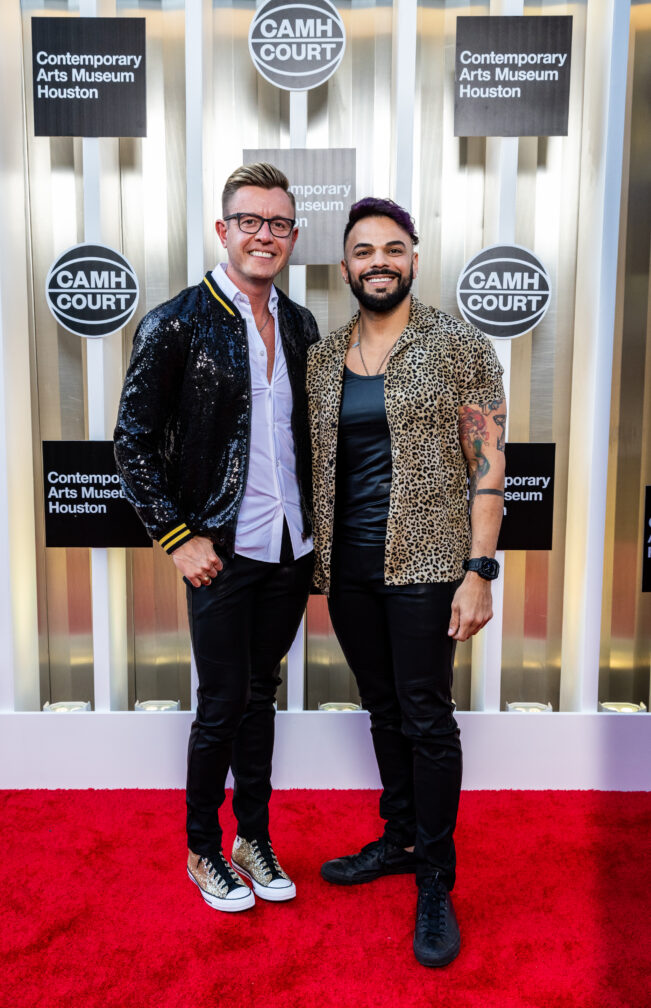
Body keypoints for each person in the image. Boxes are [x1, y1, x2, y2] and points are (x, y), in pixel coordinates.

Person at [306, 198, 506, 966]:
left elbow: (486, 467)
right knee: (382, 709)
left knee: (425, 717)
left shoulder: (456, 345)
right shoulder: (323, 359)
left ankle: (434, 876)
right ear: (346, 266)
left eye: (393, 248)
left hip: (427, 567)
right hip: (348, 572)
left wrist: (478, 571)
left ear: (414, 259)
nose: (378, 261)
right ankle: (396, 839)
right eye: (363, 250)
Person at [115, 163, 318, 913]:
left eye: (279, 223)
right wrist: (177, 537)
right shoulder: (176, 321)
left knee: (259, 697)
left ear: (294, 236)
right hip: (219, 552)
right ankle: (204, 848)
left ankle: (251, 839)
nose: (264, 235)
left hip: (289, 550)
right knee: (222, 702)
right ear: (223, 229)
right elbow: (131, 443)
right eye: (250, 221)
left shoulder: (298, 325)